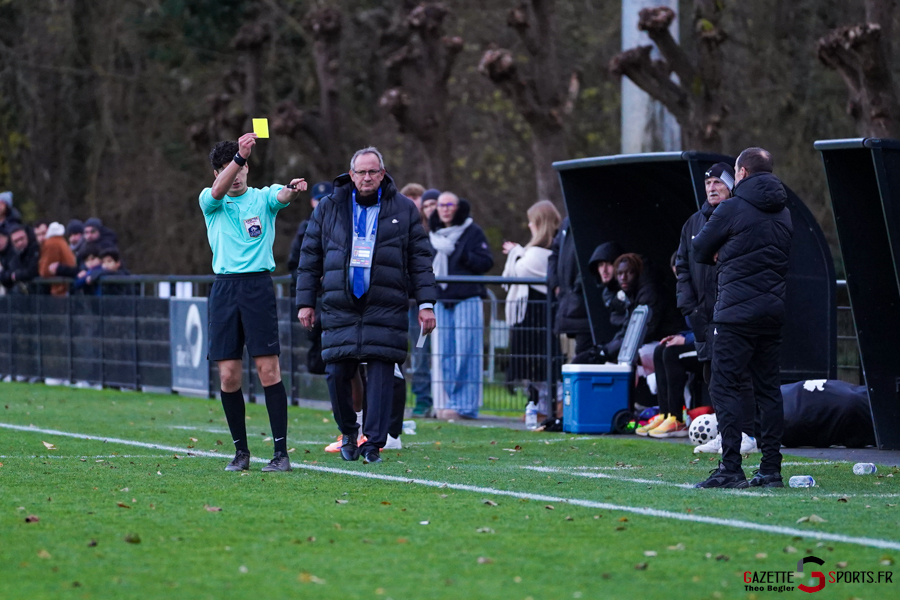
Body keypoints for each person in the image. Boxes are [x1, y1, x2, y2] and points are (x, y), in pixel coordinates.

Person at [296, 146, 436, 464]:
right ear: (351, 174)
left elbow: (420, 259)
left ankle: (373, 443)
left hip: (385, 302)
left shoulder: (404, 208)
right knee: (335, 371)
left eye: (374, 171)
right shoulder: (329, 207)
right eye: (361, 172)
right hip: (340, 303)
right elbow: (309, 258)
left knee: (382, 372)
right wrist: (305, 302)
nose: (367, 177)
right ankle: (348, 431)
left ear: (383, 174)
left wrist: (426, 303)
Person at [200, 132, 308, 472]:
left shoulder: (262, 198)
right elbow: (218, 191)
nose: (235, 174)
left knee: (268, 370)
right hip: (225, 289)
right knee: (229, 376)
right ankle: (241, 452)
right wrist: (239, 158)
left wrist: (293, 189)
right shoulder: (210, 198)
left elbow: (282, 195)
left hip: (258, 288)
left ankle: (280, 454)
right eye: (227, 168)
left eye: (241, 167)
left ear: (249, 170)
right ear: (217, 172)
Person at [692, 147, 793, 489]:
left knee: (725, 386)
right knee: (768, 389)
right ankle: (771, 470)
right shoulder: (784, 214)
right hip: (772, 313)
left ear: (743, 174)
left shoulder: (732, 208)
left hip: (734, 313)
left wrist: (724, 250)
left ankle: (731, 466)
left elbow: (699, 249)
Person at [675, 162, 758, 454]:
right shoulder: (693, 224)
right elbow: (681, 266)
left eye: (717, 183)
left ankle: (747, 433)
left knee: (739, 375)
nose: (711, 188)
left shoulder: (741, 217)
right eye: (708, 183)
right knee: (713, 377)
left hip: (733, 313)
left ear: (731, 186)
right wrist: (689, 308)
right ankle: (727, 433)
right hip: (703, 317)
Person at [429, 191, 493, 420]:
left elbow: (486, 262)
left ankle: (466, 406)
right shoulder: (433, 236)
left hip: (467, 300)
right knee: (444, 352)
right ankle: (450, 401)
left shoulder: (472, 232)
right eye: (441, 205)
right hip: (441, 301)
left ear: (459, 208)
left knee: (467, 352)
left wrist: (463, 255)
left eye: (449, 204)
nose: (445, 209)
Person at [502, 200, 561, 419]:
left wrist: (516, 252)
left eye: (531, 222)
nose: (528, 226)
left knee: (539, 360)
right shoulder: (537, 251)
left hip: (536, 315)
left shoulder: (541, 252)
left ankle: (545, 405)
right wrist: (519, 252)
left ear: (539, 223)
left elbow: (522, 268)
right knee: (531, 361)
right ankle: (535, 404)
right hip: (529, 314)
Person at [400, 183, 435, 417]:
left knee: (421, 354)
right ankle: (395, 400)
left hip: (419, 304)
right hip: (397, 301)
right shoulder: (395, 224)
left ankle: (423, 400)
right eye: (409, 197)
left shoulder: (432, 229)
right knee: (393, 354)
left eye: (417, 197)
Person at [548, 218, 593, 360]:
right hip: (567, 304)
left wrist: (578, 287)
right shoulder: (567, 222)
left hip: (581, 305)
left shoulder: (587, 218)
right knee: (571, 354)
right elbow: (554, 252)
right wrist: (555, 283)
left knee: (582, 354)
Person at [38, 222, 77, 296]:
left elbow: (45, 271)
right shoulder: (62, 242)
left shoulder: (50, 244)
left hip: (58, 289)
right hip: (66, 285)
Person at [0, 225, 40, 292]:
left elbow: (31, 271)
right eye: (16, 241)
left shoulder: (35, 249)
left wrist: (14, 275)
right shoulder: (14, 254)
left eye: (22, 238)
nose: (20, 243)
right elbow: (4, 277)